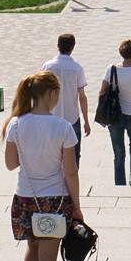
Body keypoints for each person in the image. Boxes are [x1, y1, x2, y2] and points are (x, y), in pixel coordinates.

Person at [3, 71, 82, 261]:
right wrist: (77, 207)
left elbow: (10, 164)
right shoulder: (63, 127)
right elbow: (70, 172)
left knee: (32, 247)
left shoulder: (15, 124)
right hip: (55, 200)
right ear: (52, 94)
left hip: (25, 196)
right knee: (49, 255)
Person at [98, 39, 131, 186]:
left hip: (115, 116)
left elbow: (102, 92)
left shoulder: (111, 69)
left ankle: (120, 183)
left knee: (118, 151)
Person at [43, 33, 90, 166]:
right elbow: (82, 97)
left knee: (52, 154)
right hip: (72, 118)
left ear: (58, 46)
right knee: (74, 155)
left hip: (51, 116)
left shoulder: (47, 67)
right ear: (73, 47)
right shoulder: (77, 68)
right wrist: (86, 120)